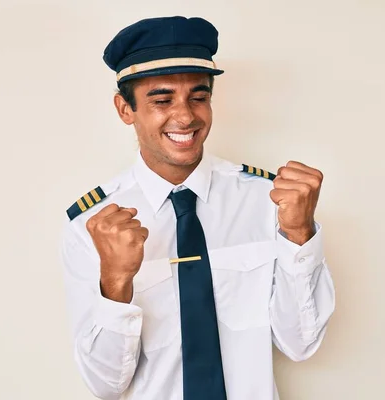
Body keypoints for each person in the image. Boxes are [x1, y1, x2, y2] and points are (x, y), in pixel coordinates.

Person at [60, 16, 335, 400]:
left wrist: (299, 234)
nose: (186, 116)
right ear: (125, 109)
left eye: (199, 97)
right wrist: (116, 282)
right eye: (162, 99)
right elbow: (105, 386)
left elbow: (301, 343)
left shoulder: (267, 199)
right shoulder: (91, 224)